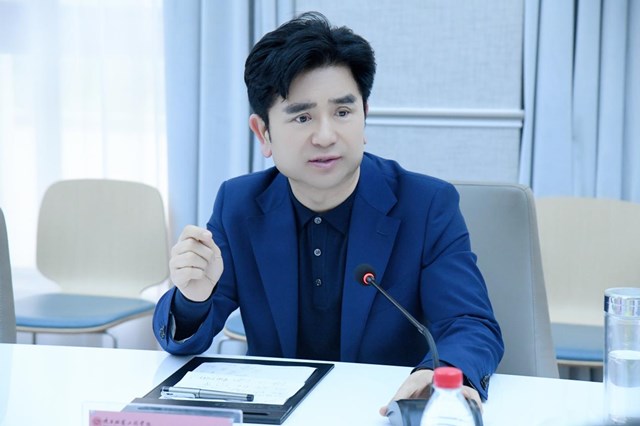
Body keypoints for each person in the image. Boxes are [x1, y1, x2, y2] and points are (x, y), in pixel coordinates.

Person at [153, 11, 504, 416]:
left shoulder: (425, 205)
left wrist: (438, 375)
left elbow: (469, 323)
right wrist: (193, 299)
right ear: (263, 133)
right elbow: (188, 335)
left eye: (342, 112)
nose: (325, 136)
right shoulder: (240, 204)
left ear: (364, 116)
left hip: (380, 411)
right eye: (302, 117)